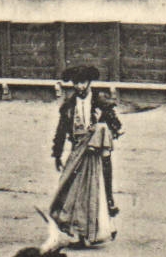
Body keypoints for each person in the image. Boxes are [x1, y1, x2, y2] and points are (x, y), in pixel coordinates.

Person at [48, 65, 123, 246]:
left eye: (82, 83)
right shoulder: (69, 105)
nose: (80, 87)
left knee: (102, 189)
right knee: (73, 189)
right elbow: (61, 131)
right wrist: (57, 154)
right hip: (77, 150)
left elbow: (117, 127)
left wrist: (102, 125)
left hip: (97, 154)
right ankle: (81, 231)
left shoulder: (101, 102)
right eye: (76, 83)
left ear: (89, 82)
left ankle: (108, 227)